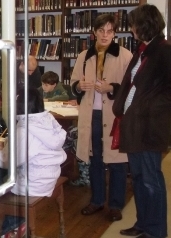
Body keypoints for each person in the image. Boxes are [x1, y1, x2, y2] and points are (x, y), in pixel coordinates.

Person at [0, 87, 67, 236]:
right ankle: (14, 224)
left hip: (33, 183)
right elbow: (34, 147)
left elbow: (7, 161)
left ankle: (5, 229)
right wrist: (7, 145)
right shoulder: (46, 120)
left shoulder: (24, 128)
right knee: (0, 179)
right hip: (47, 176)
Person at [112, 4, 170, 238]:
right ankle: (143, 224)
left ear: (144, 25)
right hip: (134, 125)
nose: (131, 28)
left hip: (149, 126)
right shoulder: (142, 50)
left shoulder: (165, 50)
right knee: (138, 178)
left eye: (134, 23)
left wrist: (149, 107)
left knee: (151, 180)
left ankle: (156, 231)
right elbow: (133, 84)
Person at [70, 14, 132, 221]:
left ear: (115, 33)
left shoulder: (125, 56)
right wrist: (79, 86)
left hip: (114, 116)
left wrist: (110, 88)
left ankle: (115, 205)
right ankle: (96, 200)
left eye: (110, 31)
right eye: (101, 31)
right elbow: (74, 83)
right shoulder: (83, 56)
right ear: (94, 32)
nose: (105, 35)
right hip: (91, 116)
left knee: (116, 162)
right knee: (94, 159)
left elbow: (131, 88)